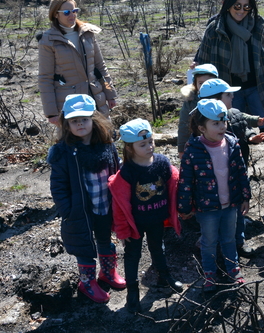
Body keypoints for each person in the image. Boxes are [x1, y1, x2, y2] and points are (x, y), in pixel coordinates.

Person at [47, 94, 123, 304]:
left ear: (93, 120)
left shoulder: (107, 145)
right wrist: (67, 210)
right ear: (66, 124)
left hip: (105, 205)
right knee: (83, 245)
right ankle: (86, 282)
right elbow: (58, 186)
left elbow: (116, 171)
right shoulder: (63, 153)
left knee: (105, 239)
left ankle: (107, 273)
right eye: (74, 121)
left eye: (84, 119)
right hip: (80, 210)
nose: (80, 124)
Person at [109, 119, 183, 313]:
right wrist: (122, 230)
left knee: (158, 247)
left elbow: (174, 183)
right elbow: (119, 204)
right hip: (136, 223)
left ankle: (163, 277)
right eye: (143, 144)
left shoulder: (161, 163)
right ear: (130, 147)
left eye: (151, 141)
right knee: (133, 255)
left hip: (157, 218)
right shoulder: (127, 172)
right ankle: (132, 292)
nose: (149, 146)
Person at [177, 99, 251, 293]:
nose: (222, 127)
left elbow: (241, 173)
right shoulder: (193, 151)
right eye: (215, 123)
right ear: (202, 127)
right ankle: (209, 273)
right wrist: (184, 207)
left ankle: (232, 269)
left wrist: (245, 196)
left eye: (223, 122)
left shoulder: (232, 144)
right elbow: (185, 181)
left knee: (229, 238)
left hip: (231, 203)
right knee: (208, 241)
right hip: (207, 206)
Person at [198, 78, 264, 256]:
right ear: (215, 100)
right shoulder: (202, 124)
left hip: (236, 172)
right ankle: (213, 243)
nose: (233, 96)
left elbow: (244, 124)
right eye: (228, 95)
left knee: (238, 208)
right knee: (215, 212)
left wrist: (252, 134)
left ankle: (238, 241)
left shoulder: (233, 113)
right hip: (212, 178)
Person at [194, 0, 264, 117]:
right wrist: (201, 91)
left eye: (246, 6)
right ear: (228, 5)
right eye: (237, 5)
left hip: (258, 88)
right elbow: (203, 62)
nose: (241, 10)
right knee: (233, 127)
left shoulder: (258, 27)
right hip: (227, 90)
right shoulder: (215, 29)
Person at [38, 0, 117, 124]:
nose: (72, 15)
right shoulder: (48, 40)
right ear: (56, 14)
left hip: (96, 98)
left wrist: (110, 94)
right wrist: (51, 112)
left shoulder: (88, 33)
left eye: (75, 11)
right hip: (71, 105)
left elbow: (100, 66)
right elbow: (45, 78)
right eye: (67, 12)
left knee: (103, 138)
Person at [178, 64, 220, 158]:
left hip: (220, 144)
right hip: (198, 145)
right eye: (201, 83)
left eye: (208, 82)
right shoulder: (190, 102)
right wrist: (181, 148)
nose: (204, 86)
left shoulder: (221, 99)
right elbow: (184, 125)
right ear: (195, 84)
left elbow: (235, 117)